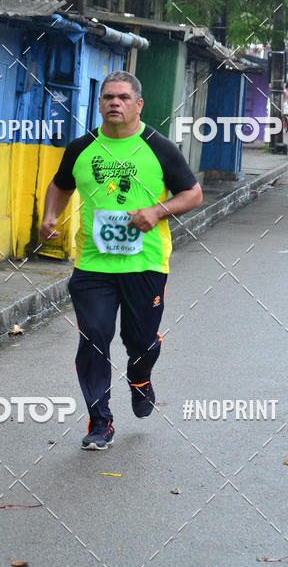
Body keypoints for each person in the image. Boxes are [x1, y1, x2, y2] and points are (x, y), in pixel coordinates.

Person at [39, 71, 203, 450]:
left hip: (145, 265)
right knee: (94, 339)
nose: (115, 102)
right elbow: (60, 184)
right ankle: (101, 423)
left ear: (138, 104)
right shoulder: (81, 148)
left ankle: (140, 376)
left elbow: (192, 194)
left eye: (124, 97)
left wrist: (158, 211)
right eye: (109, 97)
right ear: (100, 104)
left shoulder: (159, 147)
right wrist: (50, 216)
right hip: (93, 266)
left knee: (141, 342)